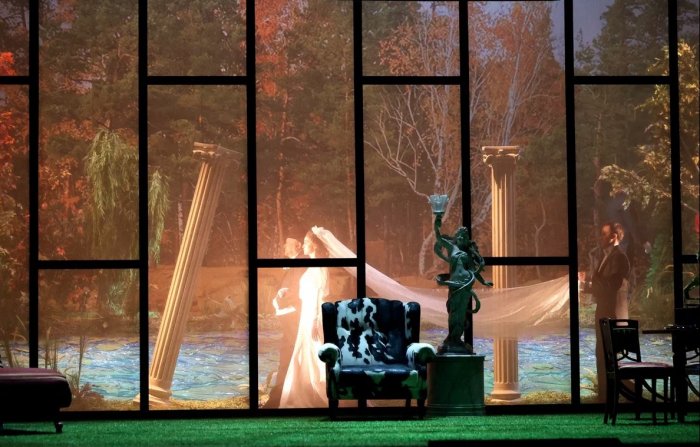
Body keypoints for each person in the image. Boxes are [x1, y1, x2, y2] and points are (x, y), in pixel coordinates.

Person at [578, 221, 630, 402]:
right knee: (601, 352)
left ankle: (608, 395)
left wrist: (586, 285)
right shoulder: (607, 256)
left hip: (610, 312)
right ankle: (605, 394)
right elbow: (602, 281)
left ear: (613, 237)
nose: (600, 237)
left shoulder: (619, 258)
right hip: (603, 311)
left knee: (606, 353)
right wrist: (587, 280)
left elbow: (610, 286)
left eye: (604, 234)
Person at [279, 229, 329, 408]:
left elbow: (319, 295)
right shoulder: (311, 266)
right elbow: (305, 292)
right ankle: (303, 390)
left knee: (313, 352)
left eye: (307, 242)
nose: (304, 245)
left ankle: (319, 392)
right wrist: (287, 292)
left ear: (314, 245)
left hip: (312, 316)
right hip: (306, 314)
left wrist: (315, 320)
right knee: (303, 352)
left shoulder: (319, 267)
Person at [433, 213, 492, 354]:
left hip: (465, 284)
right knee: (453, 312)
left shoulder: (468, 254)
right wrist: (437, 223)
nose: (461, 239)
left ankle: (457, 339)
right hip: (454, 285)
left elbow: (473, 271)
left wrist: (483, 281)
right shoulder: (451, 247)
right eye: (459, 236)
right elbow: (439, 238)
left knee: (461, 313)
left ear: (466, 240)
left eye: (464, 237)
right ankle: (451, 338)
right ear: (456, 237)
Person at [264, 238, 303, 408]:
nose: (284, 246)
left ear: (298, 246)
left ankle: (279, 396)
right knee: (287, 354)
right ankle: (280, 394)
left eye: (288, 243)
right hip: (290, 319)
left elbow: (298, 292)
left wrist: (280, 301)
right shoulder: (295, 265)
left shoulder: (301, 264)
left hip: (294, 318)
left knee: (289, 354)